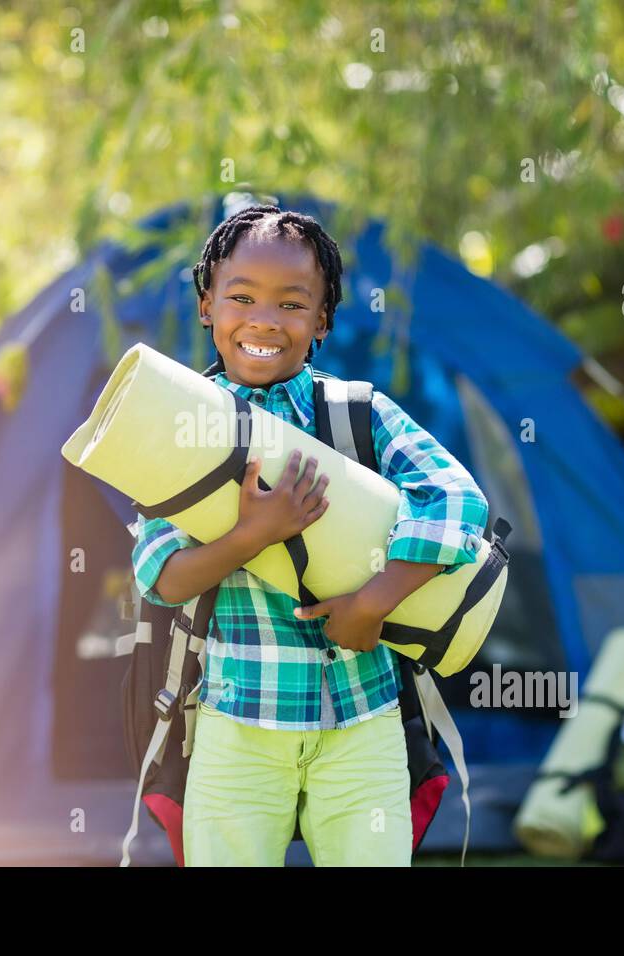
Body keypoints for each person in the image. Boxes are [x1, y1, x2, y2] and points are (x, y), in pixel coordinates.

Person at [130, 204, 489, 866]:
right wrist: (254, 533)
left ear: (322, 319)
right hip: (236, 724)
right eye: (241, 297)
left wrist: (375, 601)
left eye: (292, 304)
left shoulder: (356, 415)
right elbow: (159, 576)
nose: (264, 321)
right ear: (207, 304)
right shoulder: (180, 427)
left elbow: (459, 499)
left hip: (362, 720)